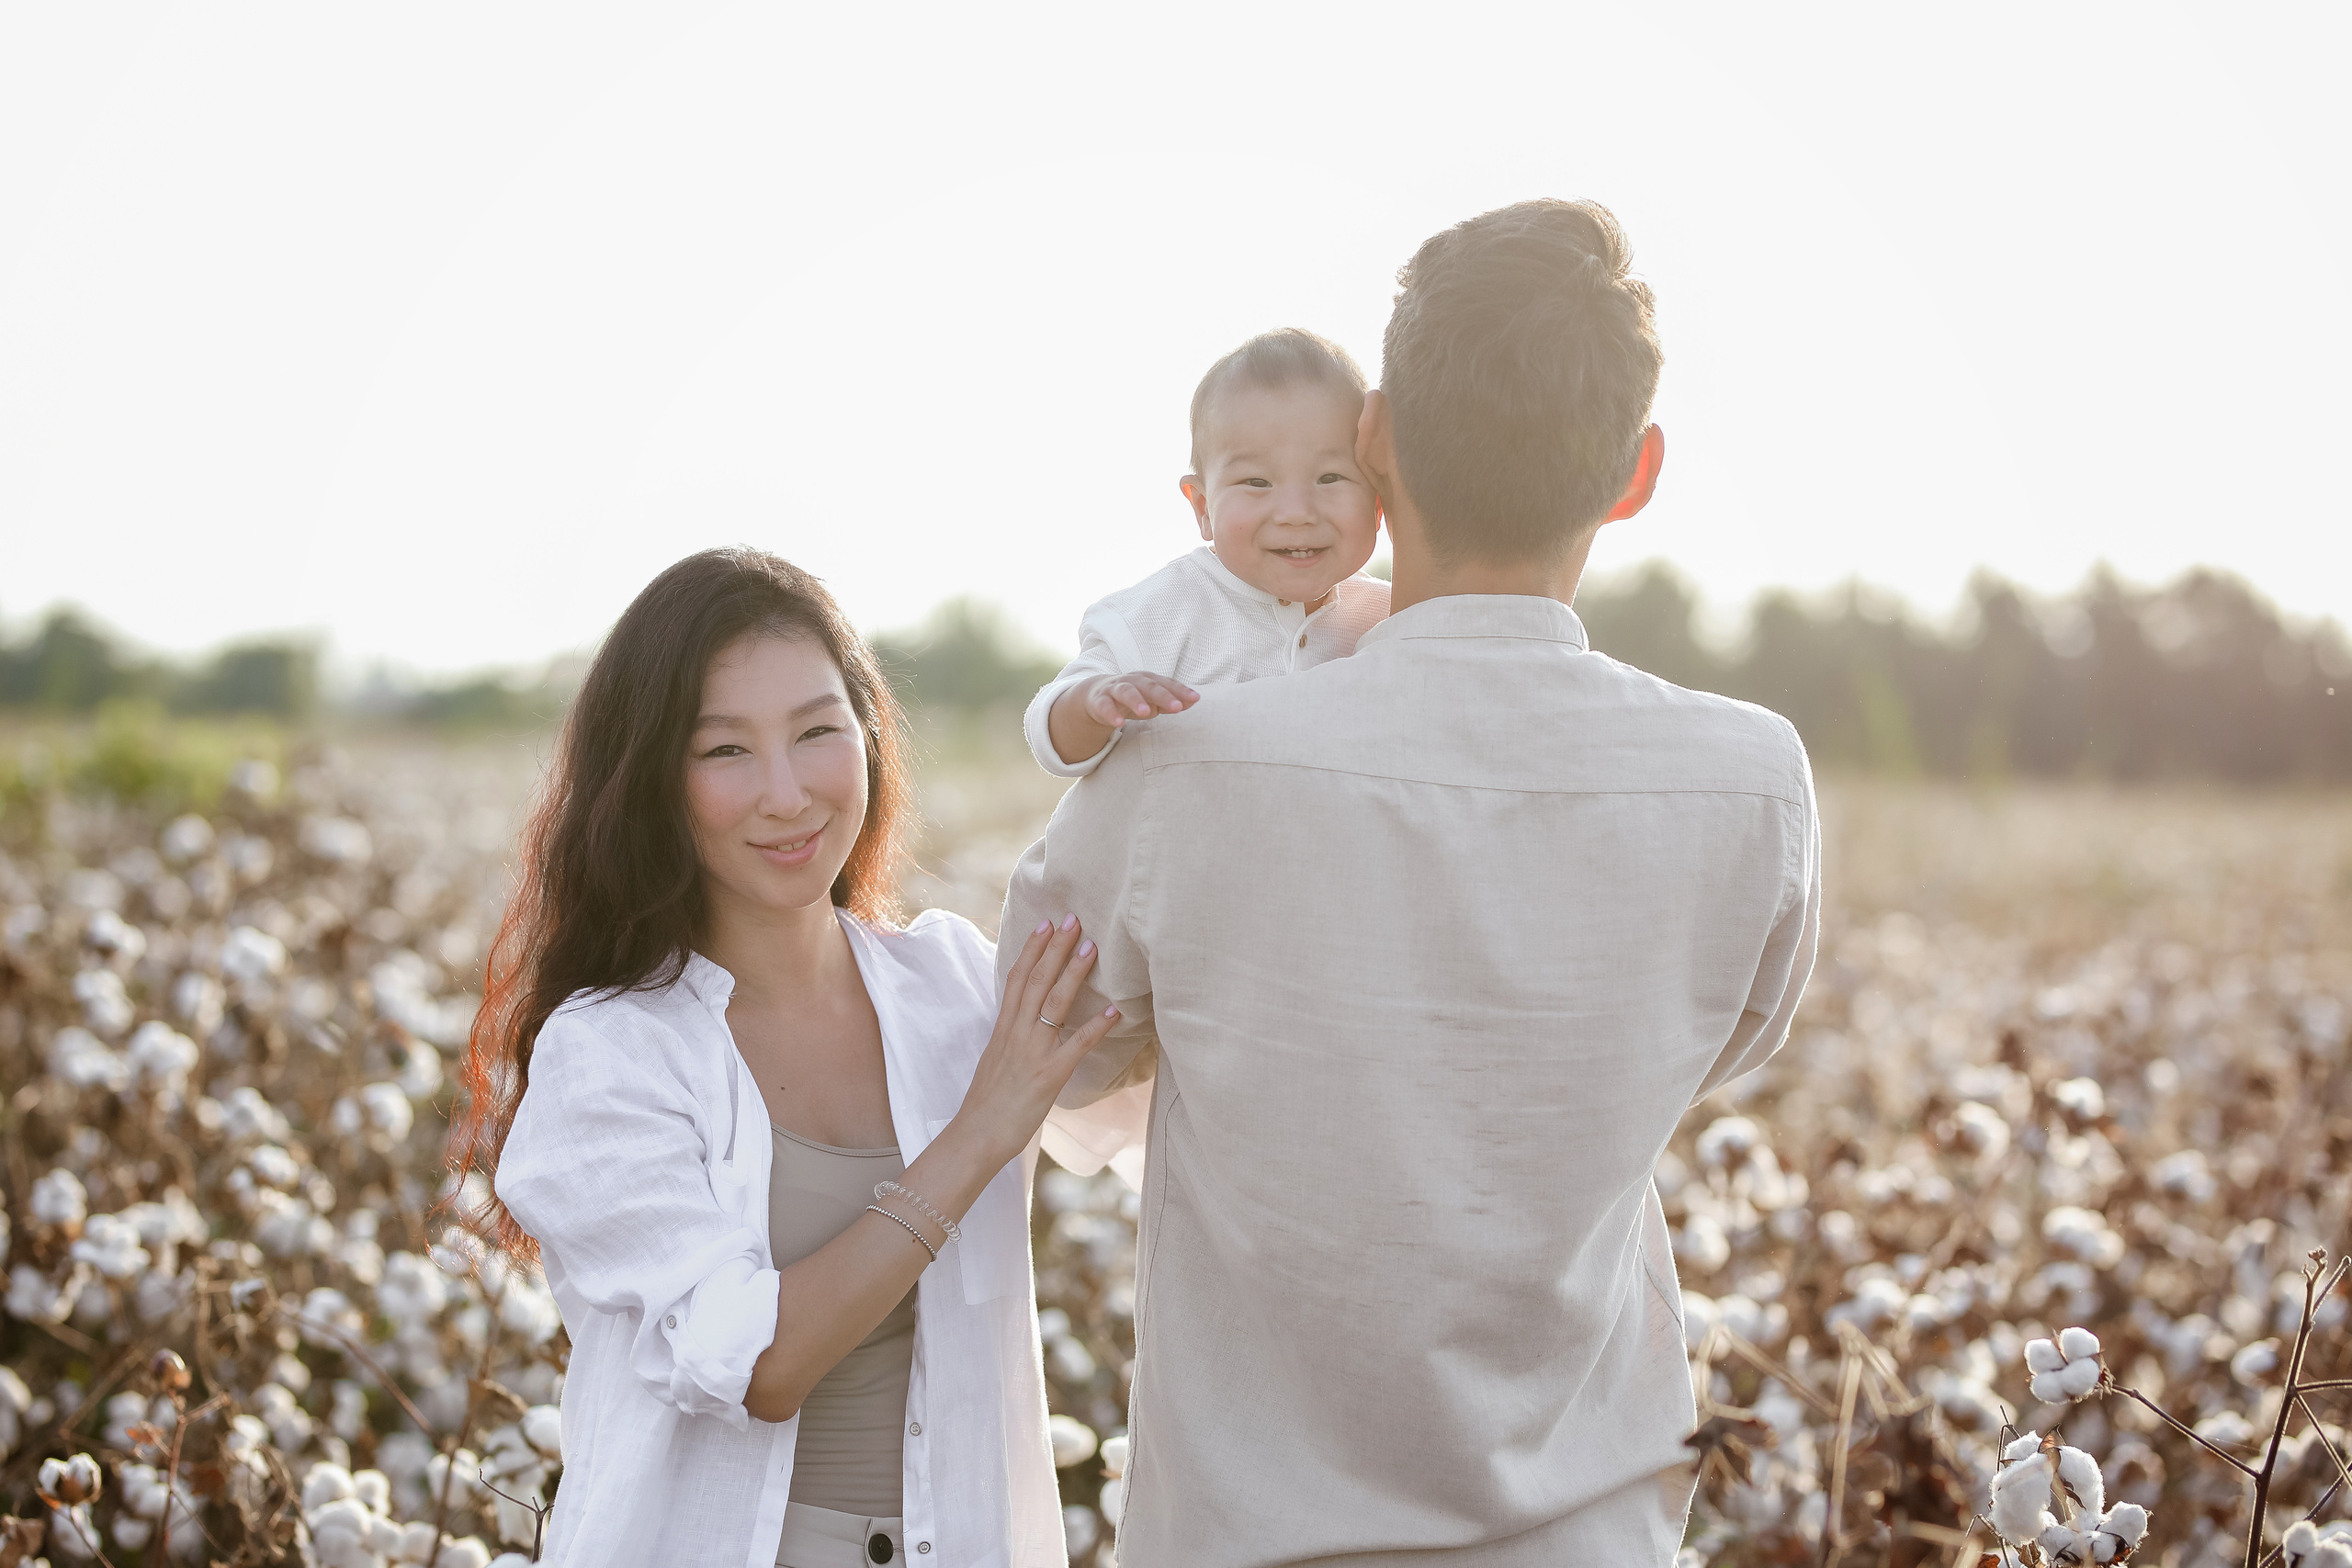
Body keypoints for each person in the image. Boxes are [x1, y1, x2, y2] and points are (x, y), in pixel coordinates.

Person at [1000, 199, 1822, 1565]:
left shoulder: (1185, 760)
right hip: (1592, 1534)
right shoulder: (1754, 781)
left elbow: (1049, 1056)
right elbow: (1722, 1049)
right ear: (1637, 472)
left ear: (1372, 434)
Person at [459, 548, 1117, 1568]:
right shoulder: (611, 1052)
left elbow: (1171, 1091)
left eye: (817, 732)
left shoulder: (950, 984)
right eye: (724, 752)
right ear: (650, 782)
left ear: (868, 736)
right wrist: (979, 1131)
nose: (786, 793)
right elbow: (759, 1363)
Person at [1022, 327, 1391, 779]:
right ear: (1202, 508)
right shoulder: (1159, 615)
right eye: (1257, 482)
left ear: (1378, 501)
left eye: (1331, 478)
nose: (1297, 513)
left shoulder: (1390, 619)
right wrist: (1092, 703)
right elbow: (1052, 734)